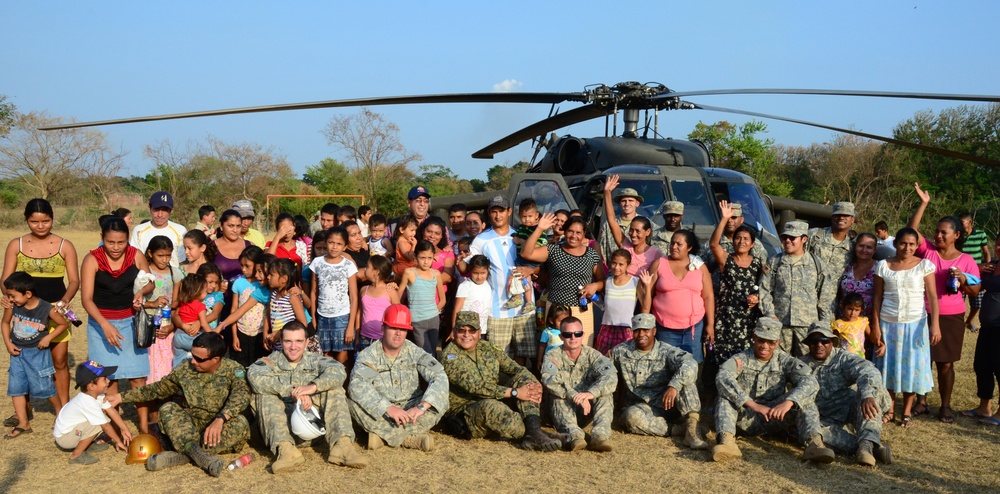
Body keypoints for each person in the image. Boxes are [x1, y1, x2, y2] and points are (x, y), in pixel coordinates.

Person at [107, 332, 251, 477]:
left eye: (199, 359)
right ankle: (196, 453)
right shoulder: (185, 368)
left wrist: (220, 419)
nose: (193, 361)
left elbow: (242, 395)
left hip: (219, 425)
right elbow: (158, 389)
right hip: (189, 426)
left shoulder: (233, 370)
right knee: (168, 409)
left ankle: (182, 456)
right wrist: (121, 397)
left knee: (241, 423)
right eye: (192, 355)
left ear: (215, 359)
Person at [247, 321, 367, 471]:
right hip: (282, 431)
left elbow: (339, 371)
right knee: (263, 394)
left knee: (334, 389)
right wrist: (294, 391)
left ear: (307, 342)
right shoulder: (270, 362)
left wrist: (313, 387)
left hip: (314, 430)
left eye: (298, 341)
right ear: (281, 342)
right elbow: (254, 377)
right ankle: (286, 451)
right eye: (288, 341)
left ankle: (342, 446)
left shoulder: (315, 360)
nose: (293, 347)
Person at [907, 183, 981, 423]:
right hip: (923, 313)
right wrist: (923, 204)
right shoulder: (928, 251)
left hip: (952, 316)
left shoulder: (967, 260)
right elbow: (911, 231)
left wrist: (961, 279)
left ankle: (946, 406)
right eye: (937, 231)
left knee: (946, 363)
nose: (938, 235)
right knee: (922, 360)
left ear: (956, 235)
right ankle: (921, 401)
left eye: (944, 233)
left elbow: (975, 290)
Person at [712, 318, 833, 464]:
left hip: (775, 416)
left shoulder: (785, 361)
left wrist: (789, 402)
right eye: (761, 340)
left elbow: (810, 381)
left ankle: (814, 444)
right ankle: (727, 442)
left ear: (777, 342)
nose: (764, 346)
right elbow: (722, 378)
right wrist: (752, 405)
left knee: (804, 399)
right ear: (754, 338)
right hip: (745, 416)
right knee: (725, 396)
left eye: (770, 342)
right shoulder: (740, 359)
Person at [439, 312, 565, 451]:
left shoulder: (487, 347)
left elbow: (516, 368)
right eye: (462, 330)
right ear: (455, 331)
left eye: (472, 330)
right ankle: (537, 434)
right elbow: (476, 387)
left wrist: (534, 385)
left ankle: (534, 431)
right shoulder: (449, 356)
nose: (467, 335)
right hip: (466, 412)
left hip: (495, 398)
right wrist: (516, 392)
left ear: (479, 332)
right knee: (491, 407)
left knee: (525, 379)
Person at [1, 198, 80, 414]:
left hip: (55, 310)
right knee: (23, 357)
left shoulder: (66, 245)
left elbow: (74, 280)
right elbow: (5, 279)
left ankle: (63, 410)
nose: (40, 226)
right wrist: (7, 296)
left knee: (60, 360)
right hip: (24, 313)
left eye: (45, 221)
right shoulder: (15, 245)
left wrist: (64, 301)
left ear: (52, 219)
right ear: (27, 220)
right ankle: (23, 409)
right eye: (34, 222)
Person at [81, 216, 154, 432]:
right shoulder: (91, 259)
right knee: (108, 379)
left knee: (138, 377)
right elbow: (86, 299)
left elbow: (150, 282)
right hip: (100, 325)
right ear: (102, 238)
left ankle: (144, 429)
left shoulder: (136, 255)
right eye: (110, 242)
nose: (115, 247)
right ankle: (117, 427)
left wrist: (141, 292)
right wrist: (104, 325)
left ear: (128, 239)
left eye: (121, 242)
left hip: (131, 323)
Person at [348, 304, 448, 452]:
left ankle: (382, 436)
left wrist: (421, 407)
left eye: (402, 329)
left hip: (412, 411)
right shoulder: (369, 356)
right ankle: (409, 439)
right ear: (383, 329)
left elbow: (439, 375)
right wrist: (388, 408)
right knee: (353, 404)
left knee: (441, 400)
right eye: (393, 328)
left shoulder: (414, 351)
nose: (398, 333)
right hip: (382, 412)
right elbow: (357, 385)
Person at [458, 196, 541, 364]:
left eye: (501, 211)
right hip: (497, 310)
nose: (497, 216)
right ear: (489, 214)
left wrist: (532, 269)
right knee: (499, 357)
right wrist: (460, 260)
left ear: (509, 212)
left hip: (525, 308)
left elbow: (541, 262)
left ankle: (522, 388)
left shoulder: (523, 234)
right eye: (493, 212)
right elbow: (467, 269)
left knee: (522, 357)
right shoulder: (481, 240)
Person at [871, 227, 938, 427]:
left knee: (911, 368)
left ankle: (907, 411)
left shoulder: (924, 265)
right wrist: (875, 326)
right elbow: (877, 297)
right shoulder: (883, 265)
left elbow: (932, 297)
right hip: (888, 323)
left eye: (911, 244)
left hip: (915, 324)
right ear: (895, 243)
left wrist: (935, 325)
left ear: (917, 246)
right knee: (888, 366)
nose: (907, 247)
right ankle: (890, 408)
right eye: (903, 243)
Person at [799, 324, 893, 466]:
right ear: (808, 344)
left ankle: (866, 445)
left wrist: (868, 395)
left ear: (832, 342)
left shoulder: (843, 358)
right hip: (824, 418)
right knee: (811, 431)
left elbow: (868, 370)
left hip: (849, 407)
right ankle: (870, 446)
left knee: (873, 391)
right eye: (814, 341)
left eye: (824, 340)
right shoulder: (800, 364)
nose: (819, 345)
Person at [610, 313, 708, 449]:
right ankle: (680, 430)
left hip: (669, 403)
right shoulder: (620, 351)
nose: (641, 334)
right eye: (637, 330)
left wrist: (674, 385)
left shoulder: (666, 351)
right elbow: (604, 371)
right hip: (641, 408)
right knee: (631, 417)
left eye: (646, 330)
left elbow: (690, 363)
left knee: (686, 380)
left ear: (654, 331)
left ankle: (692, 430)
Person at [705, 201, 764, 400]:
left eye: (746, 239)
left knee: (743, 359)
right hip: (725, 319)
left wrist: (757, 299)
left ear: (752, 244)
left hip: (747, 322)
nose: (741, 242)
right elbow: (714, 244)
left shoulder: (758, 264)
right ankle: (719, 399)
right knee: (721, 359)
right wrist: (723, 219)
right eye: (738, 238)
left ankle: (741, 398)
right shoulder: (727, 260)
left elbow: (765, 289)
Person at [521, 212, 604, 348]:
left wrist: (595, 285)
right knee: (554, 350)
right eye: (570, 231)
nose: (574, 236)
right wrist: (540, 229)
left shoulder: (592, 255)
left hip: (582, 311)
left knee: (583, 350)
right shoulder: (554, 250)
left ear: (584, 234)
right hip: (557, 312)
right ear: (564, 231)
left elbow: (603, 280)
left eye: (578, 232)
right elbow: (526, 253)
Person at [2, 272, 70, 439]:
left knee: (44, 388)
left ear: (28, 294)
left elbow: (63, 324)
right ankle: (23, 423)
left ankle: (60, 412)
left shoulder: (46, 308)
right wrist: (8, 343)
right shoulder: (13, 306)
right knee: (16, 388)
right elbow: (5, 323)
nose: (10, 299)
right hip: (17, 353)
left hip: (38, 354)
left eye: (13, 296)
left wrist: (48, 338)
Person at [541, 316, 618, 452]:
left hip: (586, 409)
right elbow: (549, 380)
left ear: (582, 335)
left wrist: (590, 394)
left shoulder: (593, 355)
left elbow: (610, 377)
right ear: (561, 336)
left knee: (605, 394)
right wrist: (574, 395)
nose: (573, 338)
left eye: (577, 334)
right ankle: (575, 437)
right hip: (562, 411)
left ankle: (599, 437)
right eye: (567, 334)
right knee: (557, 396)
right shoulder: (552, 356)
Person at [759, 220, 836, 357]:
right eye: (784, 238)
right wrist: (770, 314)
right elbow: (764, 290)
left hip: (807, 326)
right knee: (779, 363)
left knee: (806, 364)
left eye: (792, 238)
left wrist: (823, 326)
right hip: (781, 325)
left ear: (804, 239)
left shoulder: (817, 264)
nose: (787, 241)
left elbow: (825, 298)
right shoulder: (775, 262)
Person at [641, 230, 714, 363]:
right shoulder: (659, 263)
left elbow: (708, 296)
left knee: (692, 366)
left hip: (693, 328)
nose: (674, 247)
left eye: (679, 244)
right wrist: (645, 325)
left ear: (689, 248)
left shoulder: (699, 266)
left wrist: (710, 324)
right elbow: (647, 295)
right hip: (665, 329)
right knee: (664, 365)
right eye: (672, 243)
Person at [53, 361, 132, 464]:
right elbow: (106, 427)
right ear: (91, 387)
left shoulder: (97, 395)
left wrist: (124, 429)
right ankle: (76, 455)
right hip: (65, 438)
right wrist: (118, 441)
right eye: (104, 379)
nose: (108, 381)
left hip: (72, 431)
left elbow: (111, 411)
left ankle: (87, 444)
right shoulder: (87, 401)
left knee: (103, 419)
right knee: (99, 424)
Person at [310, 227, 359, 363]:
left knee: (342, 354)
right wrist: (314, 317)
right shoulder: (317, 263)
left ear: (345, 246)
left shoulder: (348, 265)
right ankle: (329, 382)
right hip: (322, 315)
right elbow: (314, 292)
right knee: (325, 354)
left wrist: (351, 326)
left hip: (342, 317)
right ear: (326, 242)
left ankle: (341, 382)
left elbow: (354, 297)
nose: (334, 247)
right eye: (331, 242)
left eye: (339, 244)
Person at [967, 239, 1000, 425]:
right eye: (998, 244)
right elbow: (975, 280)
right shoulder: (992, 265)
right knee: (982, 365)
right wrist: (978, 268)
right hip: (987, 326)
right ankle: (984, 406)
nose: (998, 248)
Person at [217, 246, 268, 367]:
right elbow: (234, 310)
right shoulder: (238, 283)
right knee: (240, 366)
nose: (243, 269)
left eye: (247, 266)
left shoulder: (265, 284)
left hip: (260, 333)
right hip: (241, 332)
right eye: (241, 265)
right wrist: (234, 336)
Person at [602, 176, 661, 276]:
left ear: (648, 232)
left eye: (638, 231)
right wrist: (607, 192)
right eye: (631, 230)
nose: (633, 234)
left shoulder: (656, 254)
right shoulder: (626, 246)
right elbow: (612, 220)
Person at [397, 240, 446, 355]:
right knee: (425, 353)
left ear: (434, 257)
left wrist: (434, 310)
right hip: (417, 320)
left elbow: (443, 299)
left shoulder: (436, 274)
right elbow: (398, 297)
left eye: (429, 258)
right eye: (422, 257)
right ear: (415, 256)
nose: (426, 261)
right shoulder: (409, 272)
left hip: (434, 319)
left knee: (433, 351)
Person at [839, 232, 879, 359]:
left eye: (869, 247)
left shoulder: (879, 268)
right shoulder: (845, 266)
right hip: (846, 324)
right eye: (861, 246)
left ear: (874, 250)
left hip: (868, 325)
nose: (864, 250)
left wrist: (876, 327)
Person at [505, 199, 545, 312]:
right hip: (520, 259)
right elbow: (515, 238)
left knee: (525, 275)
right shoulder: (521, 228)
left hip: (531, 261)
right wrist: (521, 241)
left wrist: (524, 243)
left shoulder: (538, 230)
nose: (527, 219)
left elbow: (538, 246)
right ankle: (517, 296)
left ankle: (529, 301)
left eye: (530, 216)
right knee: (516, 276)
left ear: (537, 215)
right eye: (524, 217)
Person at [595, 249, 638, 355]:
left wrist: (646, 285)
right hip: (607, 328)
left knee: (624, 358)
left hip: (626, 329)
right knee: (603, 358)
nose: (616, 267)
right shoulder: (608, 281)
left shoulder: (635, 282)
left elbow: (646, 303)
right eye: (614, 263)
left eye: (621, 264)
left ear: (628, 265)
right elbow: (597, 287)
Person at [130, 191, 187, 266]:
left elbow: (182, 261)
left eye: (164, 210)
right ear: (149, 208)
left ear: (171, 211)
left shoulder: (180, 231)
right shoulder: (139, 231)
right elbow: (135, 259)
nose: (160, 215)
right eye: (156, 209)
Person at [598, 177, 644, 265]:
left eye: (631, 201)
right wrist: (607, 192)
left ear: (637, 203)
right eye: (624, 201)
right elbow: (602, 251)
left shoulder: (646, 224)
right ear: (619, 204)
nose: (627, 204)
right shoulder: (608, 225)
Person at [807, 201, 857, 283]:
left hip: (832, 295)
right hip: (807, 292)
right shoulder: (814, 235)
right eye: (838, 215)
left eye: (846, 215)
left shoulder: (853, 247)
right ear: (832, 217)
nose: (841, 217)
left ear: (852, 220)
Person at [358, 256, 400, 348]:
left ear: (376, 271)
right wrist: (357, 334)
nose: (365, 269)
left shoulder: (391, 291)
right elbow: (359, 313)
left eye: (368, 267)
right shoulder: (364, 290)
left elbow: (398, 315)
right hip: (364, 337)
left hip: (384, 338)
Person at [960, 212, 992, 332]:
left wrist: (988, 266)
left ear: (970, 222)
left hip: (975, 274)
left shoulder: (980, 234)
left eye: (962, 222)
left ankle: (969, 321)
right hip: (961, 273)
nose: (960, 224)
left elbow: (986, 252)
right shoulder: (958, 235)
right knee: (959, 301)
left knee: (977, 303)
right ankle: (959, 323)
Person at [451, 254, 491, 339]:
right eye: (475, 273)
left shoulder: (488, 285)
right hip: (466, 331)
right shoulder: (465, 286)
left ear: (488, 271)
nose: (479, 277)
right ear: (470, 271)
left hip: (482, 330)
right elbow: (457, 309)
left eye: (483, 273)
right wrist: (454, 328)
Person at [832, 293, 871, 359]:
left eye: (856, 310)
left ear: (861, 310)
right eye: (850, 309)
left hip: (859, 358)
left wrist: (882, 345)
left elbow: (872, 337)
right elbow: (834, 344)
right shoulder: (838, 324)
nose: (853, 313)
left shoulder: (863, 322)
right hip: (844, 358)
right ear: (843, 307)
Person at [537, 305, 571, 370]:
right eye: (560, 321)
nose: (564, 323)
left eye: (566, 320)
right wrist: (539, 360)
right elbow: (542, 346)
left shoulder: (569, 331)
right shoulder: (547, 332)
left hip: (565, 361)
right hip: (551, 361)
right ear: (552, 320)